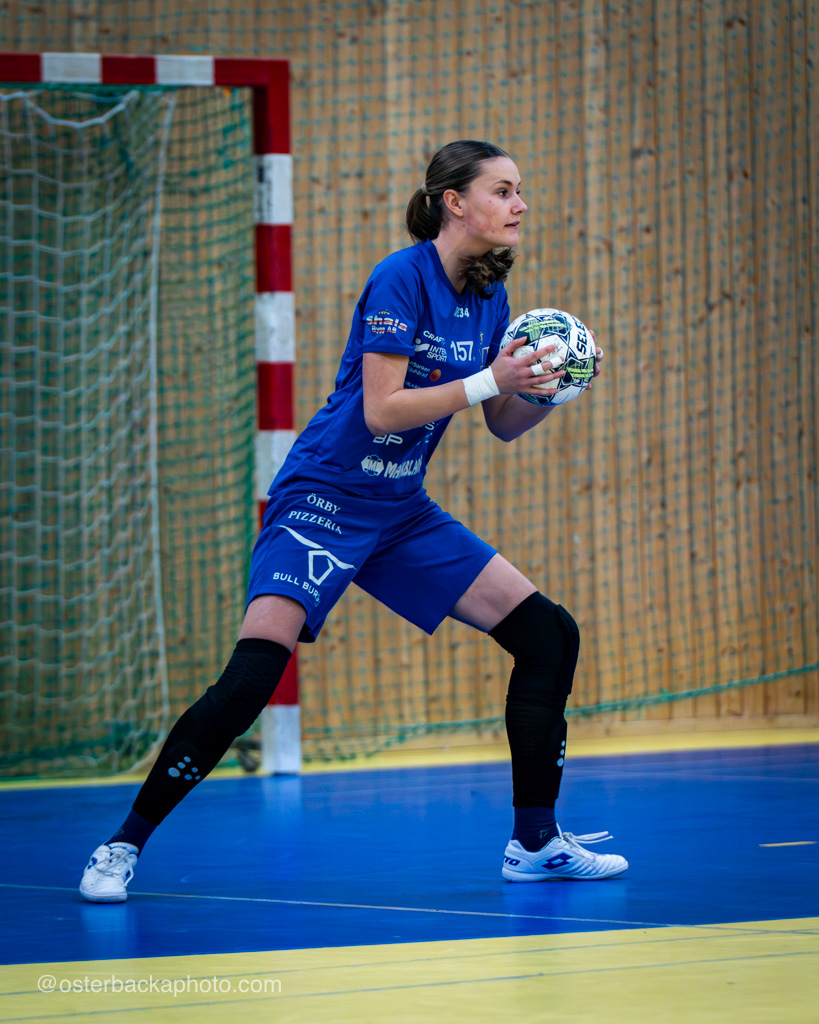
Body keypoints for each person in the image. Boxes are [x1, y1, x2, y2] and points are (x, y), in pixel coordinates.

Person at [80, 139, 627, 902]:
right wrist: (489, 378)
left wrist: (545, 387)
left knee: (548, 635)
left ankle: (534, 843)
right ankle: (121, 846)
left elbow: (500, 423)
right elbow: (381, 411)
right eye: (503, 190)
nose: (519, 204)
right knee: (253, 675)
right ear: (454, 201)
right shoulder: (400, 277)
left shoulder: (489, 296)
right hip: (325, 498)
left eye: (518, 190)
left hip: (399, 510)